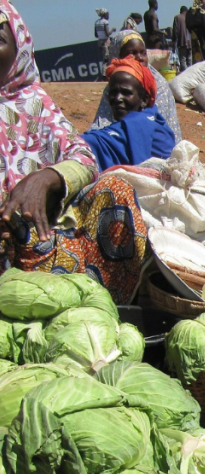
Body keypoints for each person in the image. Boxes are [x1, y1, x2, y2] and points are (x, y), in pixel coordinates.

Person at [0, 0, 148, 304]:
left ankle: (105, 306)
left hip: (44, 245)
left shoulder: (34, 104)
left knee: (115, 189)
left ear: (19, 47)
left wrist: (48, 177)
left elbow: (83, 157)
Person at [82, 57, 175, 172]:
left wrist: (70, 143)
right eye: (113, 93)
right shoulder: (131, 126)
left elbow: (94, 143)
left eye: (126, 93)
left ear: (144, 100)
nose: (118, 98)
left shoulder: (142, 122)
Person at [90, 31, 182, 144]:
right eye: (132, 53)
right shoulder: (112, 86)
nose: (139, 58)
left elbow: (153, 128)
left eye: (143, 53)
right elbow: (103, 120)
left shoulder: (159, 86)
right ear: (118, 55)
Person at [172, 6, 192, 71]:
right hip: (190, 42)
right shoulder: (190, 18)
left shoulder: (177, 17)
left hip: (182, 41)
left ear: (181, 11)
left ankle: (186, 75)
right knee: (189, 59)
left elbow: (175, 31)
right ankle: (191, 74)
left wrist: (174, 41)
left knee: (183, 59)